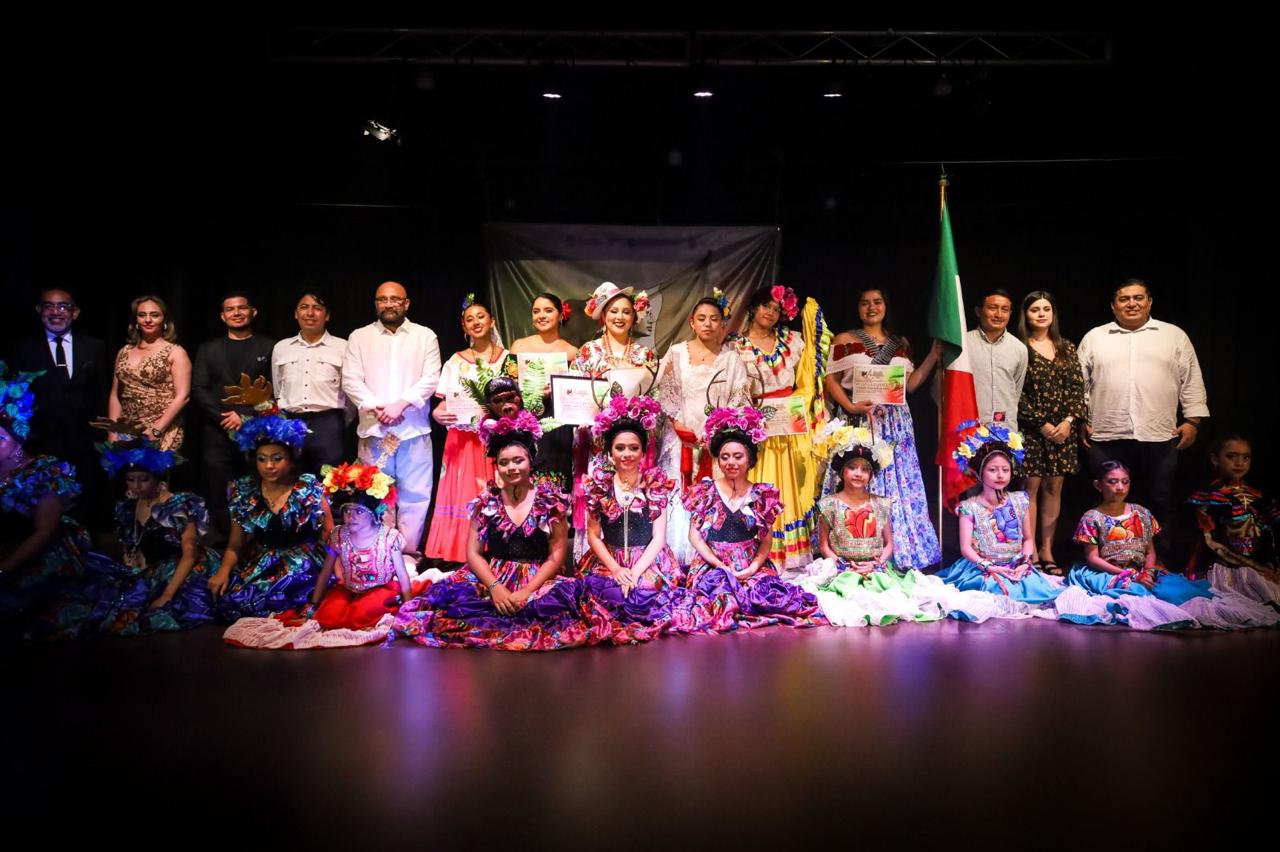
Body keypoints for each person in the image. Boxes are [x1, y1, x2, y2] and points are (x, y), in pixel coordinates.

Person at [392, 412, 601, 650]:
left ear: (530, 461)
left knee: (557, 614)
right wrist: (495, 588)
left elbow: (556, 555)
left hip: (537, 578)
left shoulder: (550, 502)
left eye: (518, 460)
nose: (511, 468)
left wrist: (527, 592)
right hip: (494, 576)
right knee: (456, 609)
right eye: (504, 462)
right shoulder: (486, 502)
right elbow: (473, 553)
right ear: (497, 466)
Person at [1056, 460, 1278, 630]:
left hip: (1141, 569)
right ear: (1098, 484)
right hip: (1109, 571)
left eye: (1125, 481)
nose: (1120, 487)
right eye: (1112, 482)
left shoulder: (1141, 513)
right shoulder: (1092, 517)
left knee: (1180, 591)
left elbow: (1149, 550)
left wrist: (1149, 570)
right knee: (1135, 594)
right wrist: (1128, 575)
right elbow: (1092, 557)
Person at [1078, 278, 1210, 564]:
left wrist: (1193, 420)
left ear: (1149, 302)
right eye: (1124, 299)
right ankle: (1103, 560)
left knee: (1159, 498)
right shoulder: (1095, 337)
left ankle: (1157, 559)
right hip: (1107, 433)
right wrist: (1080, 420)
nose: (1132, 303)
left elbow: (1192, 379)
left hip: (1159, 433)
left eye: (1138, 298)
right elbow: (1079, 384)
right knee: (1107, 499)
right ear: (1113, 306)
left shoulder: (1173, 335)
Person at [222, 459, 416, 649]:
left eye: (358, 512)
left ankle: (371, 608)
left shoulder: (389, 537)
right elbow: (325, 572)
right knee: (328, 615)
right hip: (350, 588)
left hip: (378, 587)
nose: (351, 517)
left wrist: (408, 605)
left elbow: (402, 574)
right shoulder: (339, 535)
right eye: (347, 511)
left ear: (373, 515)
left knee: (364, 614)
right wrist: (313, 604)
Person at [39, 439, 217, 638]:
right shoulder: (128, 507)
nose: (137, 486)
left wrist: (167, 594)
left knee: (161, 611)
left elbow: (189, 555)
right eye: (130, 479)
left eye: (143, 479)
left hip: (186, 567)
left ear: (158, 479)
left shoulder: (178, 505)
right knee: (105, 600)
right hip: (153, 570)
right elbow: (132, 548)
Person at [782, 424, 947, 626]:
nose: (858, 473)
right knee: (844, 598)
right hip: (844, 569)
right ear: (842, 471)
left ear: (871, 474)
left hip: (874, 568)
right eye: (852, 467)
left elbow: (889, 544)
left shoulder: (880, 503)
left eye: (865, 469)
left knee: (890, 599)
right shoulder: (829, 504)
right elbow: (823, 545)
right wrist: (840, 564)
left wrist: (876, 564)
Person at [825, 287, 943, 569]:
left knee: (897, 482)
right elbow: (831, 380)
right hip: (860, 418)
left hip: (895, 421)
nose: (871, 307)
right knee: (860, 478)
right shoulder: (845, 339)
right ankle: (855, 549)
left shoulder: (899, 342)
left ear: (886, 306)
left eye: (877, 302)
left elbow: (910, 385)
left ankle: (898, 552)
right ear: (857, 308)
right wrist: (851, 407)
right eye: (864, 303)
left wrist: (933, 356)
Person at [577, 395, 707, 642]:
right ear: (610, 451)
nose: (627, 454)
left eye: (634, 448)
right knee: (602, 594)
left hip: (649, 561)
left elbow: (659, 538)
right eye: (620, 448)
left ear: (643, 450)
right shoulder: (598, 485)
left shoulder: (654, 485)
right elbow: (594, 535)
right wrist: (616, 569)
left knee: (644, 592)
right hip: (609, 560)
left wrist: (635, 572)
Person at [681, 406, 823, 629]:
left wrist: (753, 568)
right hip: (714, 564)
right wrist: (720, 565)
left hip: (751, 563)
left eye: (738, 456)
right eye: (725, 457)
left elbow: (766, 539)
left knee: (765, 596)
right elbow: (695, 537)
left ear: (749, 460)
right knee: (719, 596)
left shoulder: (762, 495)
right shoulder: (705, 491)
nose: (731, 462)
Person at [342, 281, 442, 558]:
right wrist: (378, 407)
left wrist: (400, 405)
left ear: (406, 303)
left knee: (415, 496)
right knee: (376, 493)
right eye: (383, 299)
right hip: (374, 429)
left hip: (413, 429)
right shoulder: (359, 337)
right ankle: (379, 553)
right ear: (376, 304)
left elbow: (430, 378)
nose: (389, 304)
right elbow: (351, 380)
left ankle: (407, 556)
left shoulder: (425, 336)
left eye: (395, 299)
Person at [731, 285, 827, 571]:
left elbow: (805, 380)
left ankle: (791, 553)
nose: (770, 313)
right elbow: (735, 388)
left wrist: (798, 408)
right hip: (757, 425)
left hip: (788, 423)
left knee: (788, 486)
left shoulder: (792, 341)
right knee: (761, 484)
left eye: (776, 310)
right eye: (765, 307)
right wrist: (749, 415)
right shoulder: (737, 345)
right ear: (753, 308)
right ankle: (759, 549)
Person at [0, 364, 102, 628]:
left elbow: (44, 533)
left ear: (17, 441)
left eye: (1, 438)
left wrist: (4, 570)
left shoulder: (44, 472)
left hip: (43, 557)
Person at [206, 412, 332, 621]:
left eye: (277, 458)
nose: (269, 466)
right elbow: (234, 545)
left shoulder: (308, 488)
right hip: (264, 561)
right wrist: (223, 571)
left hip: (302, 562)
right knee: (232, 599)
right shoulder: (246, 492)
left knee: (290, 589)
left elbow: (330, 534)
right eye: (262, 459)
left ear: (292, 459)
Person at [935, 422, 1063, 618]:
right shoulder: (970, 507)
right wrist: (989, 566)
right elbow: (966, 548)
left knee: (1040, 594)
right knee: (991, 594)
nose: (1000, 475)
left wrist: (1025, 563)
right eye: (993, 470)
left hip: (1015, 566)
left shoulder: (1020, 500)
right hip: (982, 568)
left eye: (1005, 469)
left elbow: (1027, 539)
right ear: (980, 473)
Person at [658, 292, 750, 563]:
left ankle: (712, 555)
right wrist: (678, 424)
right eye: (702, 319)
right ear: (692, 322)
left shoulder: (731, 359)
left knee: (713, 491)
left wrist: (719, 432)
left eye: (714, 319)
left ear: (723, 324)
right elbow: (665, 393)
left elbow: (739, 398)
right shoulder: (676, 353)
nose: (708, 324)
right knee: (679, 491)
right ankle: (676, 556)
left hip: (715, 444)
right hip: (680, 440)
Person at [10, 288, 110, 529]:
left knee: (85, 511)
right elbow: (14, 399)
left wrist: (105, 436)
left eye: (63, 306)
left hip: (86, 445)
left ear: (75, 313)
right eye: (49, 306)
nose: (56, 312)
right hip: (41, 445)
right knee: (44, 514)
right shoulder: (22, 350)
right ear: (39, 311)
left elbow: (105, 393)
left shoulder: (95, 347)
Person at [424, 294, 512, 563]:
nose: (476, 322)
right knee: (465, 493)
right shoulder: (455, 361)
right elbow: (440, 404)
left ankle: (498, 548)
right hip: (463, 439)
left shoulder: (508, 358)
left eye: (481, 316)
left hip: (497, 438)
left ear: (492, 321)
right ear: (463, 327)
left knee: (497, 491)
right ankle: (460, 553)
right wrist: (437, 413)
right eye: (469, 319)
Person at [191, 292, 276, 549]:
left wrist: (247, 416)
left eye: (242, 308)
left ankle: (258, 544)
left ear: (253, 312)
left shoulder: (270, 347)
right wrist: (223, 417)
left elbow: (277, 390)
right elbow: (199, 389)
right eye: (230, 309)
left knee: (258, 489)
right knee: (219, 491)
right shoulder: (208, 349)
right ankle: (224, 548)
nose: (236, 313)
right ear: (222, 316)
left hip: (258, 434)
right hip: (217, 433)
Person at [1016, 290, 1087, 575]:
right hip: (1032, 430)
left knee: (1053, 488)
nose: (1041, 314)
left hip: (1062, 432)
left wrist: (1069, 421)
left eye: (1046, 308)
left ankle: (1048, 549)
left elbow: (1076, 388)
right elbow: (1016, 393)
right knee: (1029, 489)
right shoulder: (1019, 347)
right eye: (1035, 309)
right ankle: (1029, 549)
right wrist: (1041, 424)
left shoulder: (1066, 347)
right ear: (1026, 315)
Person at [1186, 434, 1280, 607]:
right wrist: (1254, 568)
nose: (1239, 463)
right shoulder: (1209, 496)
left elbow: (1271, 534)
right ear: (1215, 459)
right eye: (1231, 457)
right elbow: (1209, 540)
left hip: (1260, 564)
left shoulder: (1258, 495)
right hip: (1224, 565)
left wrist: (1270, 566)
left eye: (1246, 457)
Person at [271, 291, 351, 474]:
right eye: (304, 307)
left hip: (328, 423)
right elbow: (278, 389)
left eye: (317, 308)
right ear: (295, 313)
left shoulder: (343, 347)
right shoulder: (281, 347)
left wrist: (336, 421)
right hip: (290, 422)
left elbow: (350, 394)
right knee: (290, 478)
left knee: (329, 480)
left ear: (327, 315)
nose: (310, 313)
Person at [509, 292, 578, 491]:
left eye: (548, 310)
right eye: (536, 311)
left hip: (557, 421)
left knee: (555, 473)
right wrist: (528, 392)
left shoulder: (572, 352)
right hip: (524, 419)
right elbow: (507, 386)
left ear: (560, 315)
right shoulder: (519, 346)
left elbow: (576, 393)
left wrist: (557, 390)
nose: (542, 315)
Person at [108, 295, 191, 451]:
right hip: (127, 428)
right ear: (136, 321)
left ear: (164, 320)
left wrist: (156, 429)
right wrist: (113, 432)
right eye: (142, 315)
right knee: (128, 474)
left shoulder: (175, 352)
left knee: (153, 474)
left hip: (162, 428)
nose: (148, 320)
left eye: (154, 315)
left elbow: (183, 396)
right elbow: (115, 395)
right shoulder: (123, 352)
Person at [965, 288, 1027, 430]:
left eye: (1005, 310)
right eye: (993, 308)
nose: (999, 314)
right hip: (969, 430)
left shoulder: (1019, 349)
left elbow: (1015, 391)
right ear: (978, 311)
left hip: (1006, 431)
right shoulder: (963, 344)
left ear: (1010, 314)